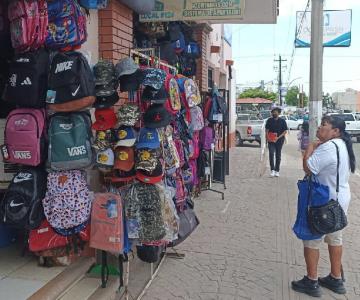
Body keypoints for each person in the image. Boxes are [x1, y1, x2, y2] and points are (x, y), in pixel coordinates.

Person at [291, 116, 356, 297]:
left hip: (323, 202)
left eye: (324, 126)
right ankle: (335, 278)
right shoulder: (342, 145)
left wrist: (309, 148)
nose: (319, 128)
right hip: (339, 201)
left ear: (336, 131)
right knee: (335, 238)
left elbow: (308, 168)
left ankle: (311, 281)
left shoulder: (327, 147)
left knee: (312, 239)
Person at [265, 107, 288, 177]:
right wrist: (267, 138)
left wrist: (278, 137)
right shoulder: (269, 120)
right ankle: (272, 170)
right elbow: (266, 130)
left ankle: (277, 170)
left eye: (275, 112)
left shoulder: (283, 121)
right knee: (271, 154)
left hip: (279, 140)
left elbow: (285, 131)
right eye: (273, 112)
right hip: (271, 140)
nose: (274, 113)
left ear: (278, 113)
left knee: (278, 155)